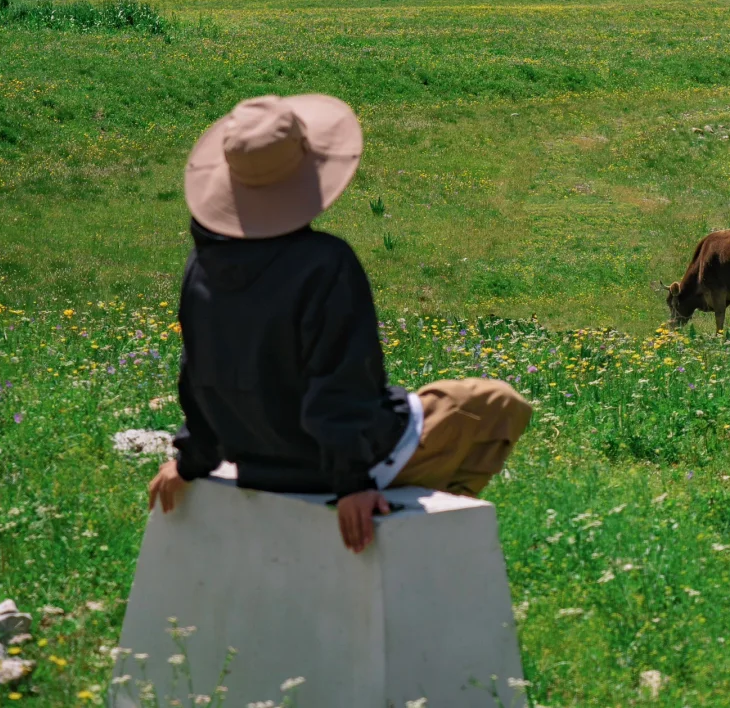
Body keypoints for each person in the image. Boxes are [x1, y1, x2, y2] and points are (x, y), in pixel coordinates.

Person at [148, 94, 532, 553]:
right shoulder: (324, 264)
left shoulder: (202, 266)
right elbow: (338, 384)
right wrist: (353, 482)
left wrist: (190, 458)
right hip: (331, 466)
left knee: (425, 404)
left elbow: (199, 374)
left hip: (253, 457)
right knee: (493, 403)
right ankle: (415, 544)